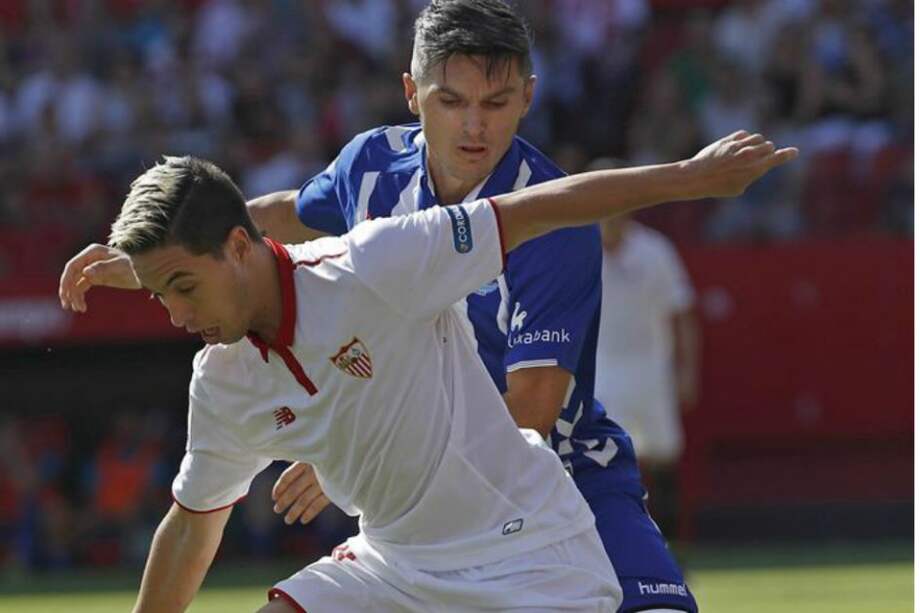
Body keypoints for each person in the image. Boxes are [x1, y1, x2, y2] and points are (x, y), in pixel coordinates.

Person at [57, 2, 791, 611]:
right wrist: (145, 265)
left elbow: (531, 407)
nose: (475, 126)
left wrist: (359, 438)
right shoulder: (371, 168)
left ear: (527, 98)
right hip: (415, 520)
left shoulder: (543, 229)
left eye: (496, 103)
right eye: (453, 101)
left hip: (557, 477)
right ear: (413, 93)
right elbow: (270, 216)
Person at [596, 210, 700, 542]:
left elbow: (682, 312)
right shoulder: (578, 249)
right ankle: (618, 552)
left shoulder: (655, 250)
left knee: (664, 459)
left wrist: (687, 371)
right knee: (607, 464)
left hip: (651, 370)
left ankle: (672, 559)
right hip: (602, 373)